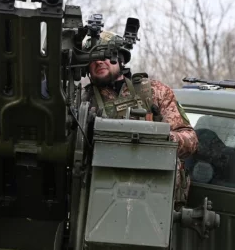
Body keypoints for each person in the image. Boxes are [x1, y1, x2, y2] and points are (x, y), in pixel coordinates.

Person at [81, 31, 198, 208]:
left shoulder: (154, 92)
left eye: (105, 55)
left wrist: (161, 139)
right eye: (93, 58)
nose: (98, 61)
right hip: (103, 196)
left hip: (155, 194)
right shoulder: (82, 102)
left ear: (120, 59)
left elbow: (190, 140)